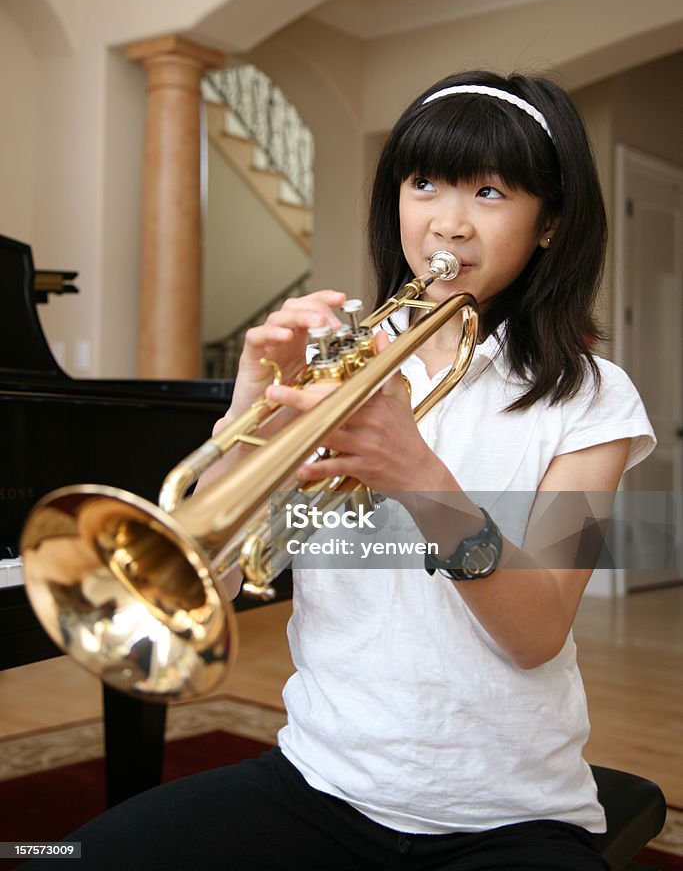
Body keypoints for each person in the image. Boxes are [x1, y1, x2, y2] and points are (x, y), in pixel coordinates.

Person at [32, 71, 654, 870]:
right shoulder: (336, 364)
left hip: (505, 814)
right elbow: (205, 585)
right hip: (317, 783)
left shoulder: (592, 398)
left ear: (548, 225)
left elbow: (535, 634)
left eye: (491, 192)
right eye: (422, 183)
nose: (448, 223)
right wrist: (246, 419)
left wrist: (418, 476)